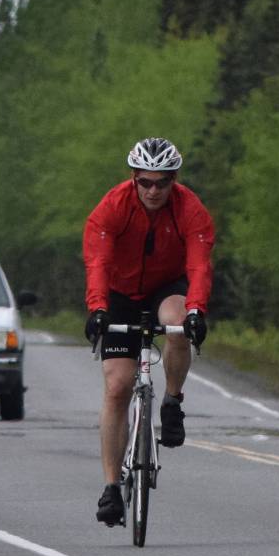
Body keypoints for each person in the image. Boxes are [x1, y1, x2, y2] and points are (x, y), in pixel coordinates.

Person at [83, 136, 215, 526]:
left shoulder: (191, 210)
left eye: (162, 182)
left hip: (165, 287)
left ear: (174, 180)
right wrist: (98, 310)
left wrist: (196, 312)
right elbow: (98, 263)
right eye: (145, 182)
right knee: (118, 387)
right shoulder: (111, 208)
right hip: (119, 292)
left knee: (177, 324)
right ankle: (110, 488)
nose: (154, 190)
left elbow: (199, 268)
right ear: (134, 179)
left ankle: (172, 402)